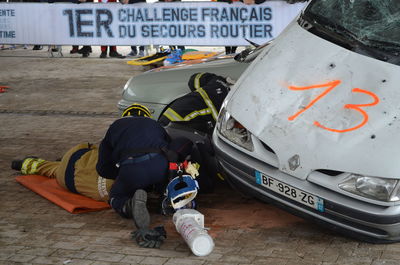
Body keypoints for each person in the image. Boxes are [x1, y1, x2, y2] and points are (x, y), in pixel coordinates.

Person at [11, 103, 199, 248]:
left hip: (85, 176)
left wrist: (121, 171)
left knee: (115, 194)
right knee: (163, 167)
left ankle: (125, 205)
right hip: (156, 166)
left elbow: (103, 167)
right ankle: (164, 195)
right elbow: (169, 149)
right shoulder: (154, 125)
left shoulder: (111, 131)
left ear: (125, 116)